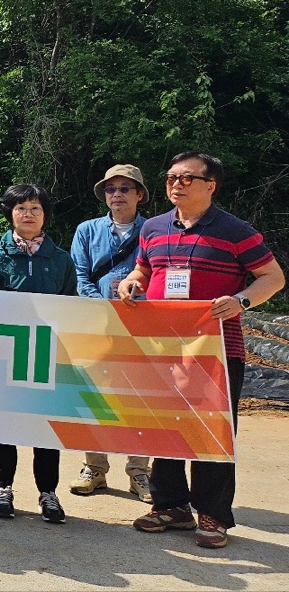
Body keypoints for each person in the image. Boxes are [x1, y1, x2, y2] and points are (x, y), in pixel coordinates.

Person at [121, 152, 285, 549]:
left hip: (216, 349)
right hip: (163, 347)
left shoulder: (235, 230)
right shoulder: (153, 228)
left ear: (210, 185)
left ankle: (212, 513)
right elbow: (144, 269)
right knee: (165, 425)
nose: (176, 184)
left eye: (187, 178)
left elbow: (272, 276)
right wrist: (132, 281)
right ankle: (170, 505)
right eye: (171, 177)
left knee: (212, 430)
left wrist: (242, 301)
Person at [0, 183, 76, 524]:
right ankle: (3, 488)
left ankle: (48, 493)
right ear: (10, 214)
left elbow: (71, 304)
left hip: (48, 355)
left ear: (45, 215)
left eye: (35, 208)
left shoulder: (61, 259)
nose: (28, 214)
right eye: (21, 208)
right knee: (4, 424)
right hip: (5, 354)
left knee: (45, 427)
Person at [68, 164, 153, 501]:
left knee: (141, 399)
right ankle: (94, 468)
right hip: (97, 323)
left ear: (139, 194)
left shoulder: (155, 230)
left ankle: (139, 471)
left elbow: (158, 274)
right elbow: (80, 274)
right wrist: (101, 306)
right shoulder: (87, 230)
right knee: (94, 396)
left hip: (142, 326)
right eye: (111, 189)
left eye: (125, 188)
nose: (117, 194)